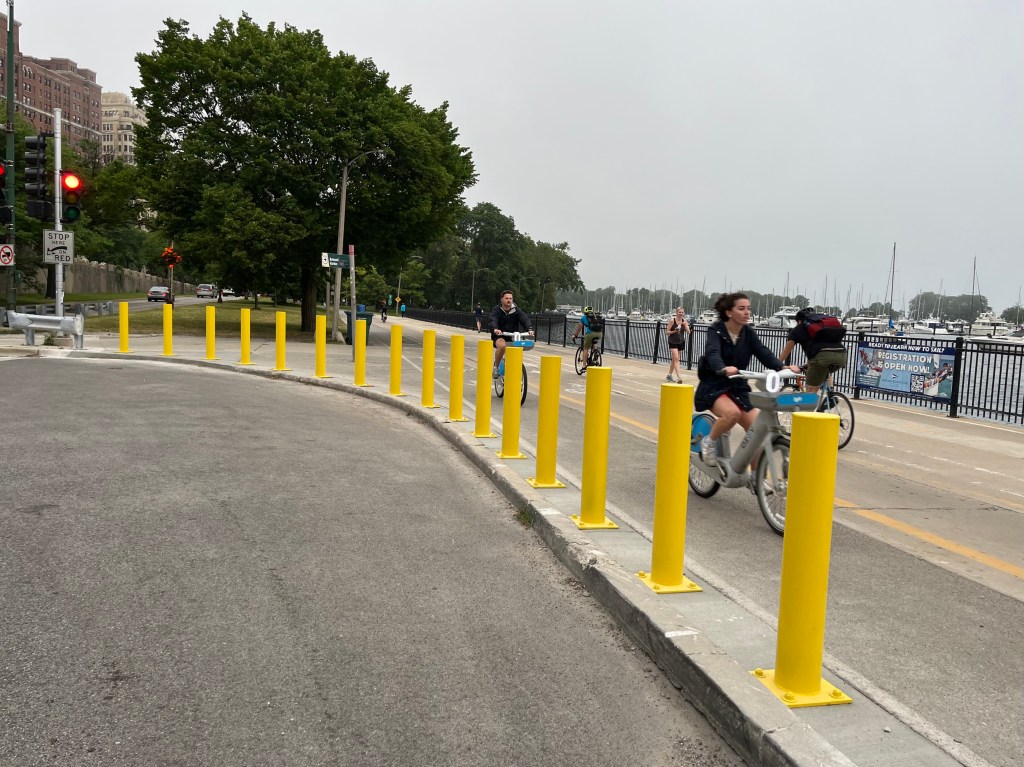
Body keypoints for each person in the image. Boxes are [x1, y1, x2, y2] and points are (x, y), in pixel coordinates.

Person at [695, 292, 800, 465]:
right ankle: (709, 442)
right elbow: (712, 352)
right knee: (732, 414)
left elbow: (762, 352)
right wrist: (722, 368)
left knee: (757, 432)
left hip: (738, 387)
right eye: (741, 308)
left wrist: (782, 367)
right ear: (729, 312)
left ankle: (755, 478)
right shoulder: (716, 330)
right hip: (715, 385)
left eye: (748, 309)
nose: (746, 312)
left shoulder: (748, 333)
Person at [779, 307, 847, 395]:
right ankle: (831, 395)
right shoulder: (820, 328)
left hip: (822, 358)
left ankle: (809, 406)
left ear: (799, 321)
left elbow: (786, 351)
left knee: (810, 392)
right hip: (842, 355)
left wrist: (777, 364)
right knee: (823, 369)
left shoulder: (799, 328)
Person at [488, 289, 533, 378]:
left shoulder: (516, 310)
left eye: (510, 298)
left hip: (513, 336)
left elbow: (524, 319)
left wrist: (529, 329)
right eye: (506, 298)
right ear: (502, 299)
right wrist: (495, 329)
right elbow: (492, 319)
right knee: (502, 346)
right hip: (500, 335)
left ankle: (515, 367)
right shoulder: (496, 310)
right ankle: (496, 367)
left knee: (521, 347)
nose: (509, 300)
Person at [571, 306, 604, 372]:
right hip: (600, 334)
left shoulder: (583, 318)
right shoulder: (596, 317)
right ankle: (595, 352)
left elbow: (579, 328)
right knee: (594, 341)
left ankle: (583, 366)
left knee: (585, 348)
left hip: (590, 334)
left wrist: (575, 335)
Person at [665, 307, 691, 383]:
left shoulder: (684, 321)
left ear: (684, 313)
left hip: (680, 341)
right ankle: (679, 377)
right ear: (676, 313)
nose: (681, 314)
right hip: (672, 341)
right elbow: (666, 332)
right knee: (676, 358)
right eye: (679, 312)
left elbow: (689, 332)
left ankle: (669, 375)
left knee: (674, 359)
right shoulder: (672, 321)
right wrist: (674, 331)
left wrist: (686, 326)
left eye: (682, 312)